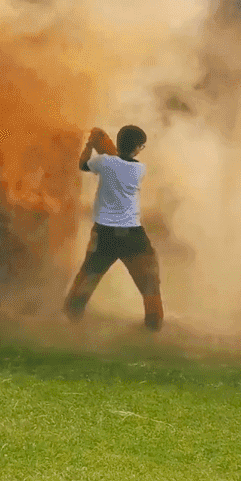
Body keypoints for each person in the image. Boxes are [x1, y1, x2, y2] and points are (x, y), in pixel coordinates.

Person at [63, 125, 164, 331]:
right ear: (137, 148)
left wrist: (91, 144)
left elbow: (83, 164)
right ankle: (153, 329)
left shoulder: (103, 162)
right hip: (132, 236)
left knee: (87, 280)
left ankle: (70, 325)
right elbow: (118, 159)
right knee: (150, 285)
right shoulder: (139, 169)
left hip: (104, 235)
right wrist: (105, 144)